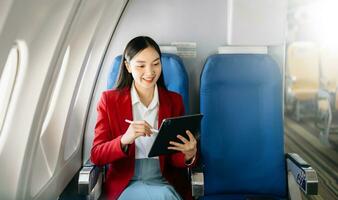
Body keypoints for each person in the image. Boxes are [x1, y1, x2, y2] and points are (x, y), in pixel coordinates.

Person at [90, 36, 198, 200]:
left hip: (164, 181)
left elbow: (175, 159)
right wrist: (124, 140)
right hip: (125, 184)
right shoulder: (109, 101)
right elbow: (97, 155)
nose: (150, 72)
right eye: (141, 65)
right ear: (128, 66)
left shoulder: (174, 101)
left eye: (156, 63)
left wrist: (189, 154)